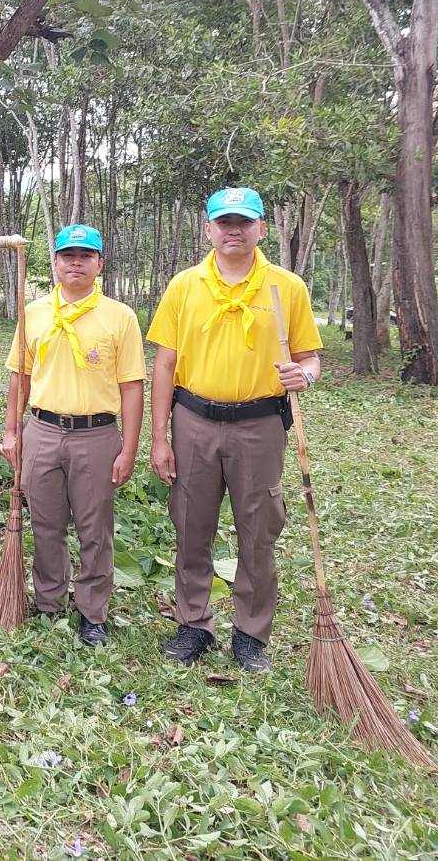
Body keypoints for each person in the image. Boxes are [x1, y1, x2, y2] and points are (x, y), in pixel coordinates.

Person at [147, 186, 322, 672]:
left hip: (259, 424)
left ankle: (250, 634)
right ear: (208, 229)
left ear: (261, 228)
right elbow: (165, 365)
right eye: (224, 222)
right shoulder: (185, 286)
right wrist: (159, 437)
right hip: (193, 421)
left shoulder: (286, 287)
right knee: (190, 525)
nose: (234, 230)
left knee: (258, 529)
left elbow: (310, 358)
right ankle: (193, 624)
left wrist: (304, 376)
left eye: (244, 222)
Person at [2, 224, 146, 647]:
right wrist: (11, 431)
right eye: (68, 256)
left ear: (100, 263)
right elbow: (19, 377)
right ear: (56, 262)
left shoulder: (120, 317)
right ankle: (49, 601)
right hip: (42, 431)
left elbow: (132, 386)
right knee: (46, 523)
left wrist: (129, 448)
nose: (76, 263)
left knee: (94, 528)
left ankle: (92, 612)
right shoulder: (34, 312)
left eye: (85, 256)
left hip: (95, 436)